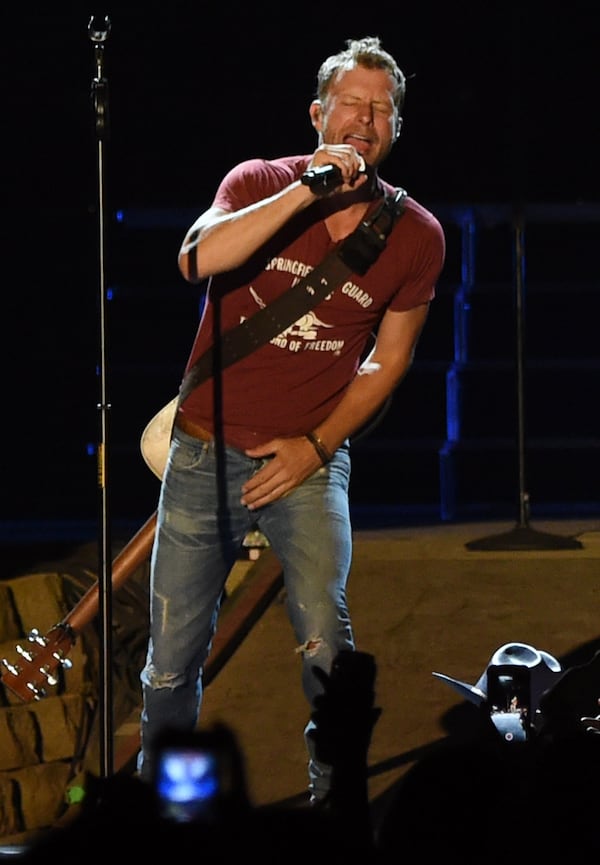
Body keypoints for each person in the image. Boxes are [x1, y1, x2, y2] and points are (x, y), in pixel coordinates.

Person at [137, 35, 446, 805]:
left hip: (307, 459)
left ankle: (332, 813)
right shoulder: (258, 182)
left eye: (383, 110)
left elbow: (389, 360)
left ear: (396, 130)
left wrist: (317, 447)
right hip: (204, 454)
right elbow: (197, 260)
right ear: (318, 114)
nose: (365, 120)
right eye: (352, 103)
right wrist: (308, 191)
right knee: (171, 664)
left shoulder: (416, 235)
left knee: (325, 651)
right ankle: (169, 814)